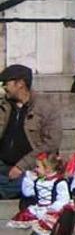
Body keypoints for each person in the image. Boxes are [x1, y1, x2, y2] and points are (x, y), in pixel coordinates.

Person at [0, 65, 61, 199]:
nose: (3, 87)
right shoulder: (4, 106)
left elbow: (51, 143)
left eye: (6, 83)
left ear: (20, 84)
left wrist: (22, 166)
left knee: (29, 183)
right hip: (3, 165)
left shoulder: (46, 108)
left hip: (30, 169)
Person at [7, 152, 69, 235]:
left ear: (47, 169)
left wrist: (52, 208)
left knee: (49, 221)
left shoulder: (59, 182)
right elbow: (28, 192)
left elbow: (63, 199)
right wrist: (28, 178)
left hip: (52, 210)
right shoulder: (39, 181)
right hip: (39, 207)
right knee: (27, 215)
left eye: (38, 167)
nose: (36, 169)